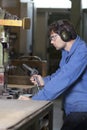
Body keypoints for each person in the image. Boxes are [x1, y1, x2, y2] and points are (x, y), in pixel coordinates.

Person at [19, 19, 87, 130]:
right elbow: (60, 73)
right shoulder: (67, 52)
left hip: (82, 111)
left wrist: (36, 100)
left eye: (53, 37)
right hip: (72, 108)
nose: (51, 42)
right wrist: (44, 81)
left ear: (65, 35)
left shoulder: (82, 52)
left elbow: (64, 79)